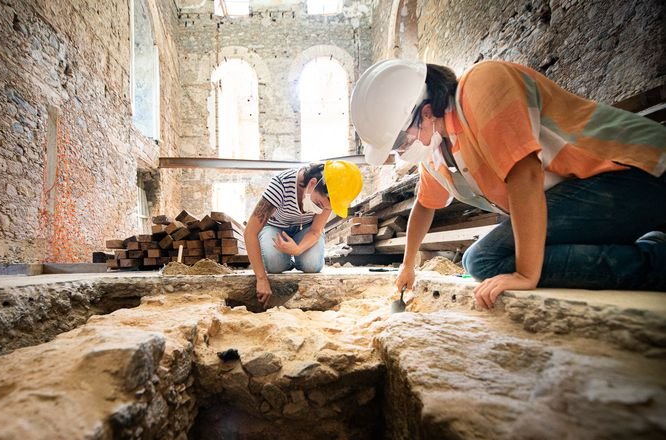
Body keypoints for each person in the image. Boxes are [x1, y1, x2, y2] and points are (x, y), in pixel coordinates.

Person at [350, 58, 666, 309]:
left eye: (401, 142)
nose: (404, 151)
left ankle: (656, 263)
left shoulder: (481, 85)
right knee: (486, 259)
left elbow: (525, 173)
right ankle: (650, 246)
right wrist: (408, 266)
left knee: (483, 260)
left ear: (427, 111)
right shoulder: (437, 153)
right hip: (596, 193)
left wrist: (526, 274)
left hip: (636, 173)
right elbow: (424, 206)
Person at [245, 160, 363, 308]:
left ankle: (295, 256)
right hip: (276, 227)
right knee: (275, 264)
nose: (321, 210)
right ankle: (284, 261)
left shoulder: (330, 196)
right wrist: (261, 278)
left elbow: (315, 231)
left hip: (306, 230)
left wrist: (298, 249)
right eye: (319, 205)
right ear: (312, 183)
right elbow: (250, 232)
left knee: (312, 265)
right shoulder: (281, 184)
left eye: (325, 208)